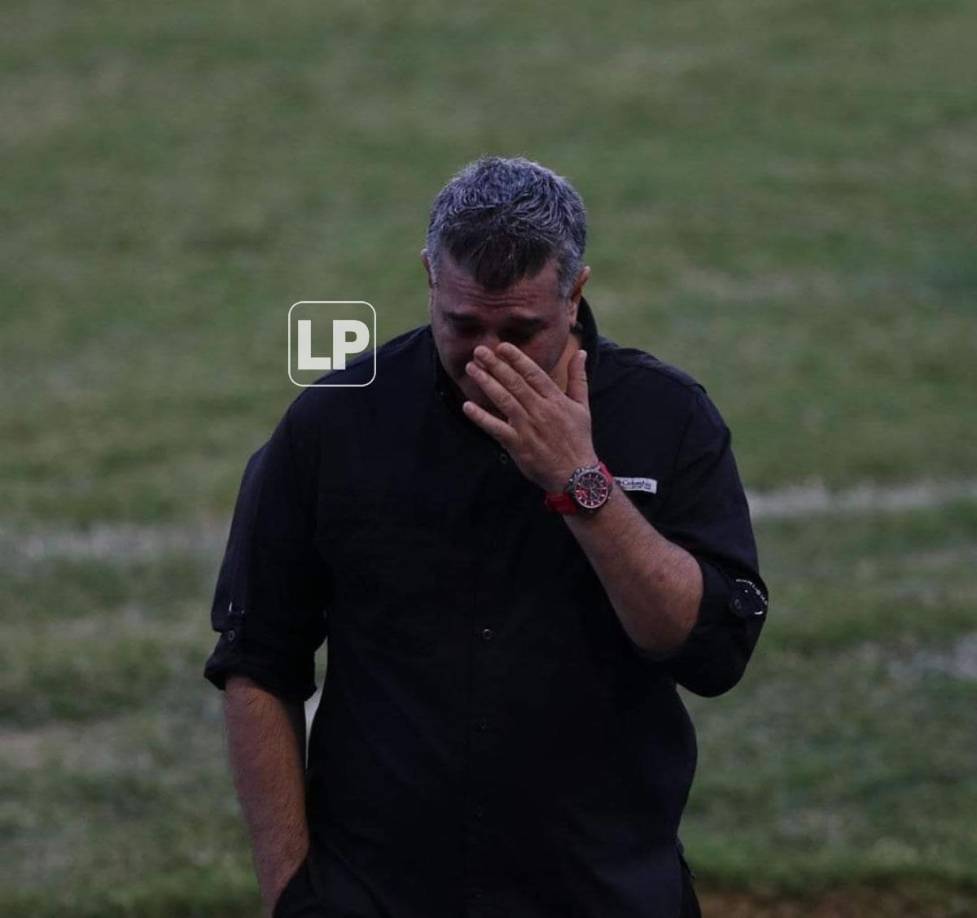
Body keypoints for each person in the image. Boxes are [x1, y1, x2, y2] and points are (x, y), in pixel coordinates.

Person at [204, 156, 768, 918]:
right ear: (430, 281)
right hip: (379, 895)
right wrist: (289, 894)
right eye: (462, 325)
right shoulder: (334, 424)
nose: (486, 357)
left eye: (520, 330)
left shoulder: (664, 418)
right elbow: (257, 661)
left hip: (601, 892)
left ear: (575, 294)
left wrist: (582, 485)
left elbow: (708, 653)